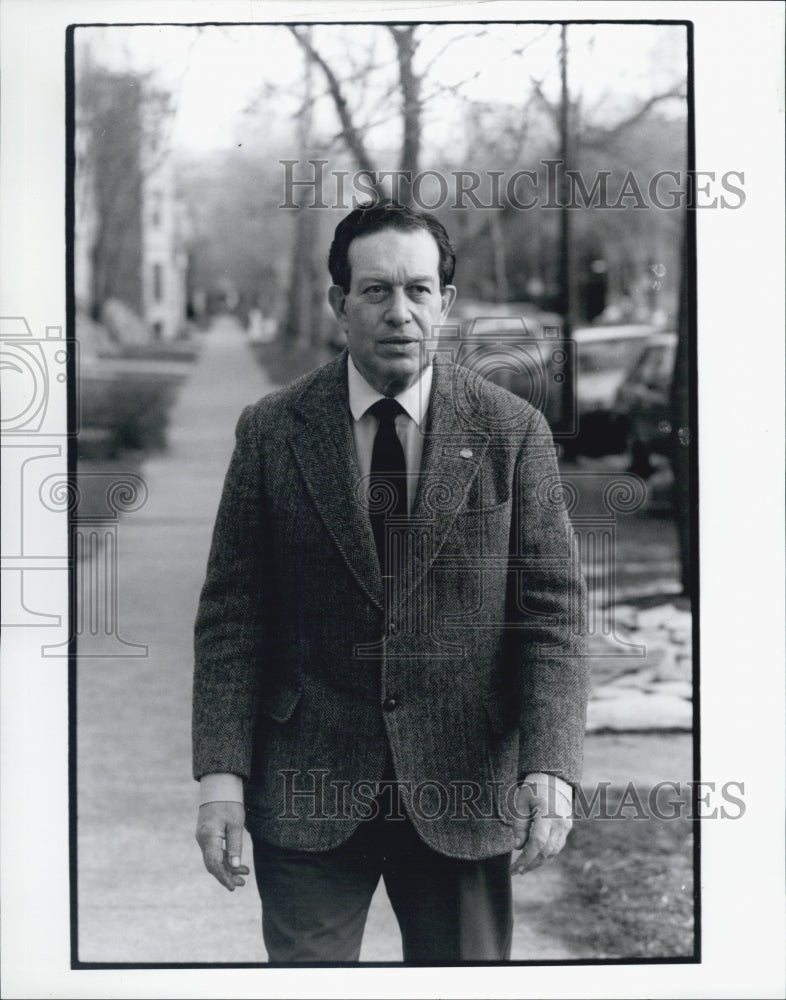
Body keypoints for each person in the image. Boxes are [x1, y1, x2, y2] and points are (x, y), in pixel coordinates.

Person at [193, 202, 588, 963]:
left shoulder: (512, 432)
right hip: (307, 783)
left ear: (446, 301)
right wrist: (220, 781)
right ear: (338, 303)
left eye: (417, 290)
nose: (398, 313)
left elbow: (553, 618)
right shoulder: (272, 430)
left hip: (464, 782)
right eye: (375, 291)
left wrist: (552, 766)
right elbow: (233, 618)